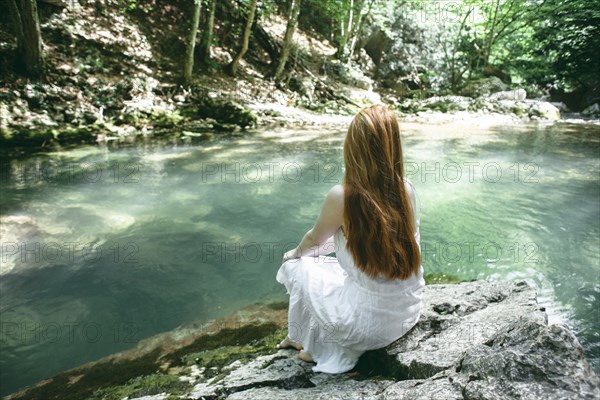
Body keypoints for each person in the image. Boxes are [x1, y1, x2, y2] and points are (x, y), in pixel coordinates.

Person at [275, 104, 425, 373]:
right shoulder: (407, 190)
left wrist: (293, 253)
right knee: (327, 267)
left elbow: (313, 242)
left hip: (366, 329)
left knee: (296, 265)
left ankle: (305, 341)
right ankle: (307, 340)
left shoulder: (342, 197)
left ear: (353, 147)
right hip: (407, 315)